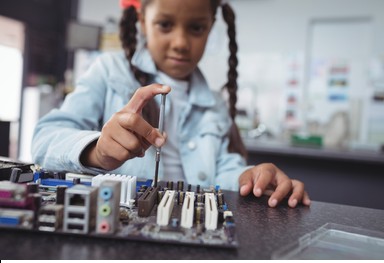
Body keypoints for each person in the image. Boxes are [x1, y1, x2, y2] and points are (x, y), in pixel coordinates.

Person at [32, 0, 310, 208]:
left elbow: (226, 170)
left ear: (210, 28)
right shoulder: (108, 71)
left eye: (196, 28)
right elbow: (45, 141)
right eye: (165, 25)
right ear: (142, 22)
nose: (180, 42)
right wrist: (98, 152)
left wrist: (252, 177)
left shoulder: (213, 103)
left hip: (195, 224)